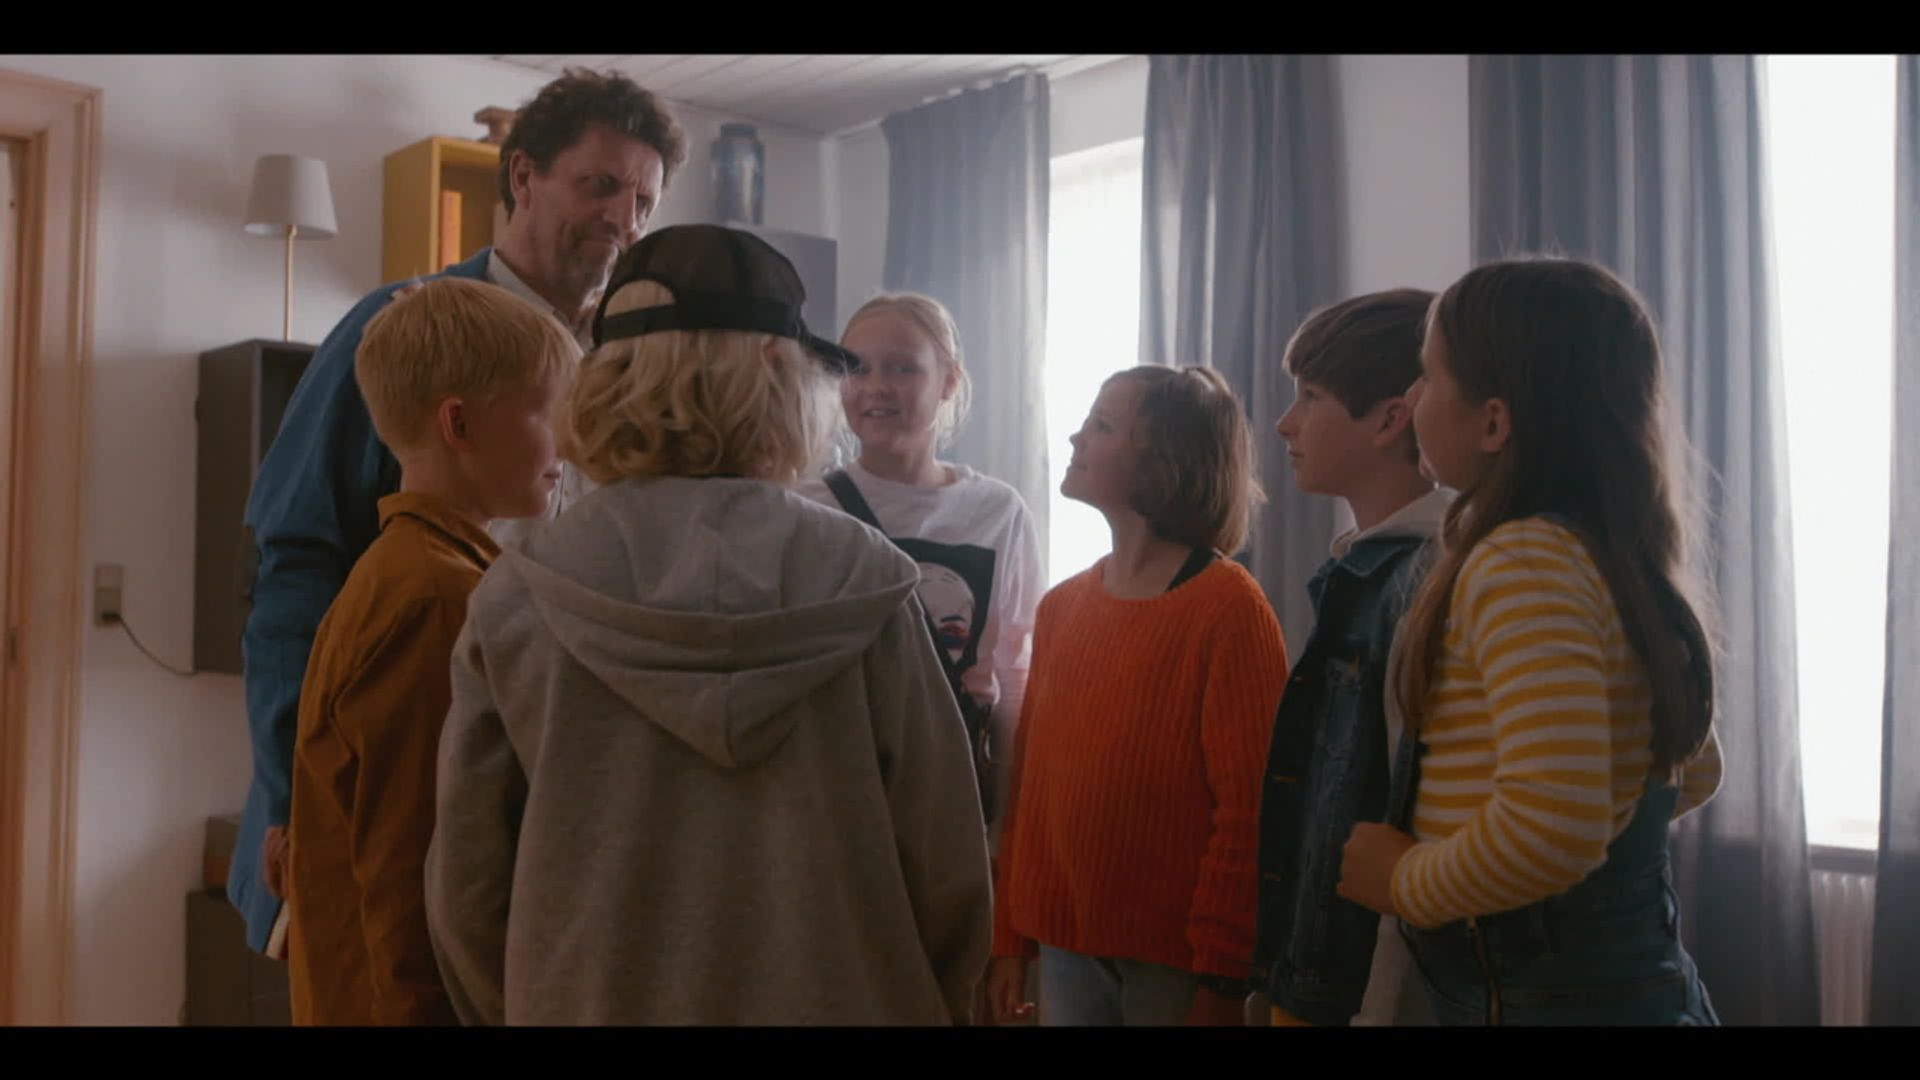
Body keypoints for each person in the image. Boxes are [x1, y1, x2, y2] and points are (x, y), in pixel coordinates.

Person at [423, 225, 993, 1025]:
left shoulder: (517, 595)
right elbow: (948, 872)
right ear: (783, 382)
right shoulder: (871, 582)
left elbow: (469, 887)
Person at [230, 68, 685, 958]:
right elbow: (293, 567)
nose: (623, 221)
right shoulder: (403, 330)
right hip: (402, 782)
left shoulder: (636, 368)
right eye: (599, 185)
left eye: (642, 201)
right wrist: (292, 796)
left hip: (565, 801)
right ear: (523, 176)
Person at [1336, 257, 1724, 1026]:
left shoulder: (1523, 561)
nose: (1413, 396)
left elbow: (1553, 828)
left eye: (1428, 375)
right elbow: (1694, 768)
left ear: (1492, 423)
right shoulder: (1608, 552)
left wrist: (1405, 879)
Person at [282, 278, 578, 1024]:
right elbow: (412, 877)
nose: (567, 443)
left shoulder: (413, 570)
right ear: (459, 422)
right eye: (548, 412)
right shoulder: (436, 600)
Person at [986, 365, 1288, 1027]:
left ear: (1166, 462)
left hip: (1177, 961)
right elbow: (1030, 790)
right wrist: (1009, 936)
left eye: (1101, 426)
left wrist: (1223, 975)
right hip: (1064, 947)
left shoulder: (1230, 610)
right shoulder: (1061, 607)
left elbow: (1250, 813)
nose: (1076, 439)